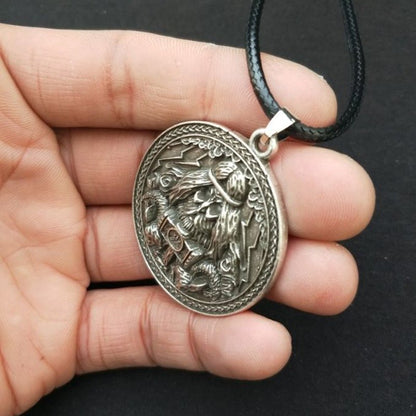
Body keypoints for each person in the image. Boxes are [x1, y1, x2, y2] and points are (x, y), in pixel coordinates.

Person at [0, 24, 375, 415]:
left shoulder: (223, 236)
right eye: (207, 191)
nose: (209, 203)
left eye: (220, 200)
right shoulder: (184, 192)